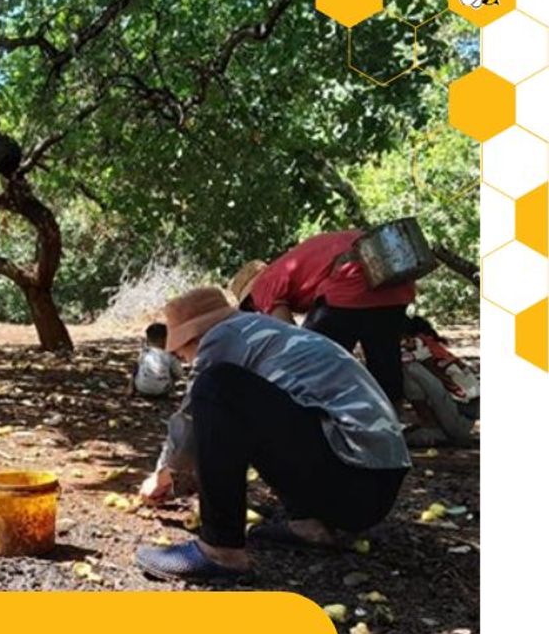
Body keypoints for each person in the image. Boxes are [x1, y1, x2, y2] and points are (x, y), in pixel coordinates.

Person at [134, 287, 410, 582]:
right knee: (252, 408)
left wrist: (162, 476)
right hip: (376, 479)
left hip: (356, 477)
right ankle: (310, 524)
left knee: (215, 388)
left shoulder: (222, 337)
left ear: (195, 336)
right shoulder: (261, 332)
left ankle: (220, 551)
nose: (186, 361)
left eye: (181, 353)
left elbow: (189, 421)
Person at [229, 230, 416, 407]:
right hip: (394, 281)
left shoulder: (263, 284)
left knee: (312, 363)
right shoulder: (288, 265)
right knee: (384, 359)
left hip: (349, 283)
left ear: (250, 300)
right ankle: (393, 422)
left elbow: (291, 338)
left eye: (250, 308)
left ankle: (321, 421)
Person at [401, 315, 479, 447]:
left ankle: (432, 428)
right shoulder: (433, 346)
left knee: (408, 368)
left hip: (458, 419)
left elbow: (403, 360)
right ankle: (433, 427)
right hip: (465, 417)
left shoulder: (418, 344)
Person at [129, 322, 183, 397]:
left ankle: (130, 389)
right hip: (162, 390)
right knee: (171, 369)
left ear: (147, 339)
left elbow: (136, 369)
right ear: (165, 340)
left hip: (142, 388)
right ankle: (172, 392)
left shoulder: (144, 352)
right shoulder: (169, 356)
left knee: (136, 368)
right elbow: (179, 373)